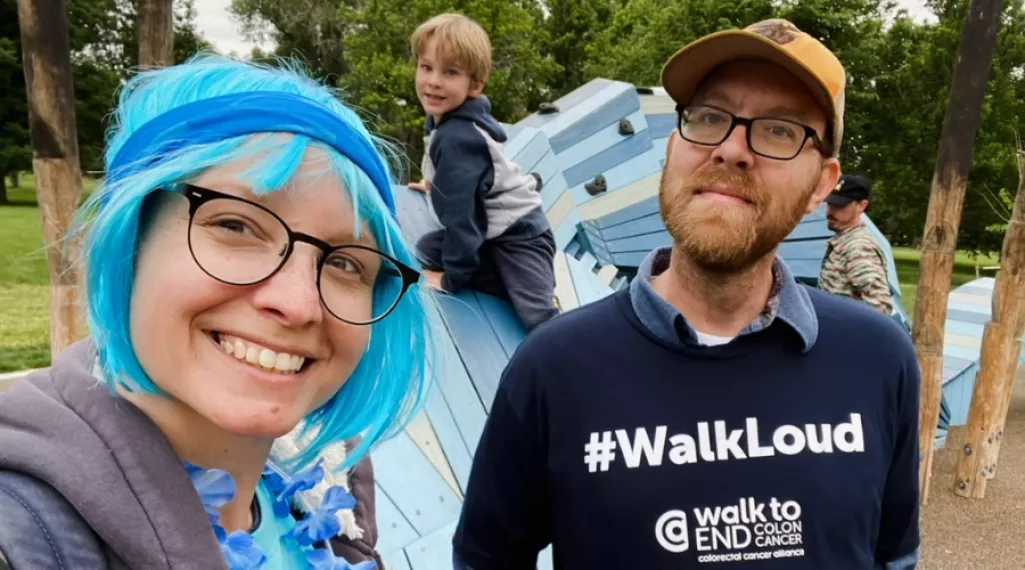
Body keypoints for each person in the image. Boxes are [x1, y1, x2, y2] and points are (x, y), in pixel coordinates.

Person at [452, 19, 921, 570]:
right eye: (710, 117)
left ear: (823, 183)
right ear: (674, 145)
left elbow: (895, 557)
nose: (731, 149)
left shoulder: (878, 359)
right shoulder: (552, 369)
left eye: (778, 131)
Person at [0, 56, 433, 570]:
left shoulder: (333, 488)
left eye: (344, 262)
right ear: (131, 239)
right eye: (237, 226)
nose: (297, 304)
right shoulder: (23, 539)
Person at [409, 13, 559, 332]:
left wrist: (451, 281)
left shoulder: (457, 138)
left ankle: (576, 358)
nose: (434, 80)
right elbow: (463, 181)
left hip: (521, 234)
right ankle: (492, 270)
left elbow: (464, 220)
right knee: (425, 250)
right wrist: (435, 184)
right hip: (489, 229)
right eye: (426, 67)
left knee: (536, 315)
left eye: (450, 72)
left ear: (475, 85)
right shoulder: (444, 117)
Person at [819, 174, 896, 316]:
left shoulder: (859, 247)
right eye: (830, 204)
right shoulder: (844, 241)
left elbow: (880, 307)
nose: (830, 212)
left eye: (840, 206)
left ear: (862, 206)